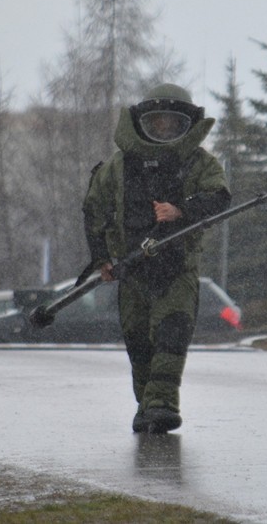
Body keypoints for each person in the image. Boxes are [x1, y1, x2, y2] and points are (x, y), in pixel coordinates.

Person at [82, 84, 230, 434]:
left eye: (171, 123)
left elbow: (219, 198)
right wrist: (101, 257)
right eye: (156, 123)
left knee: (171, 333)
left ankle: (162, 404)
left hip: (177, 268)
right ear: (142, 122)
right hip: (131, 271)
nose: (163, 129)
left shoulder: (199, 162)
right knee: (138, 342)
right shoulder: (117, 167)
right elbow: (94, 210)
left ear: (187, 125)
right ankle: (145, 405)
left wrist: (182, 211)